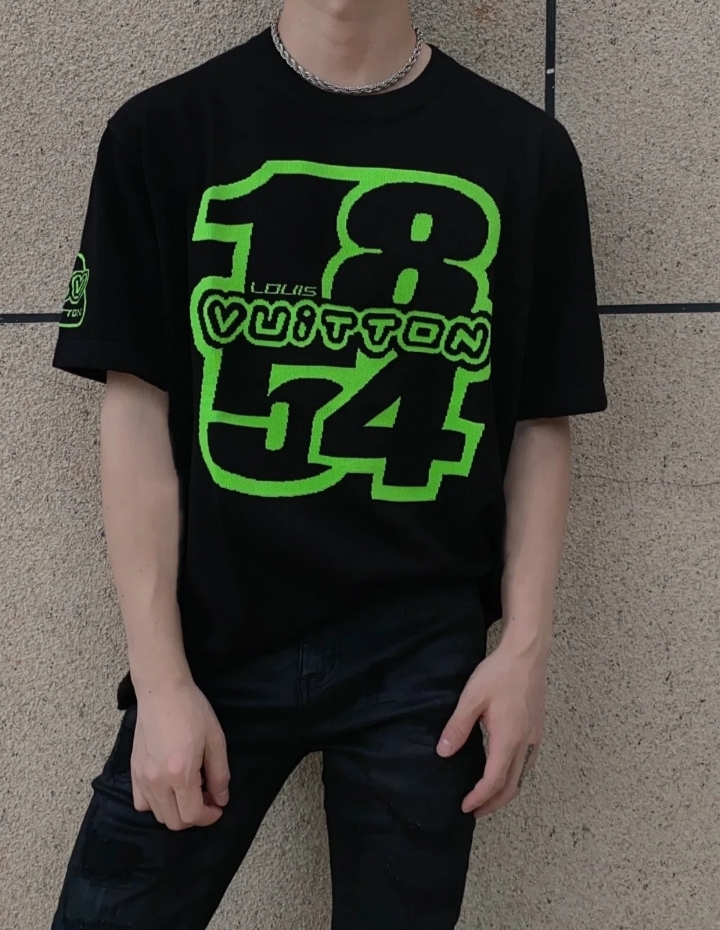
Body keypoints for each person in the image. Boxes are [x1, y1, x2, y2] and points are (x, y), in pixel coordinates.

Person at [49, 0, 607, 927]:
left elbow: (539, 421)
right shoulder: (165, 133)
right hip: (217, 643)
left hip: (421, 661)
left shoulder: (523, 152)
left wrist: (523, 652)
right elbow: (136, 415)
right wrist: (161, 680)